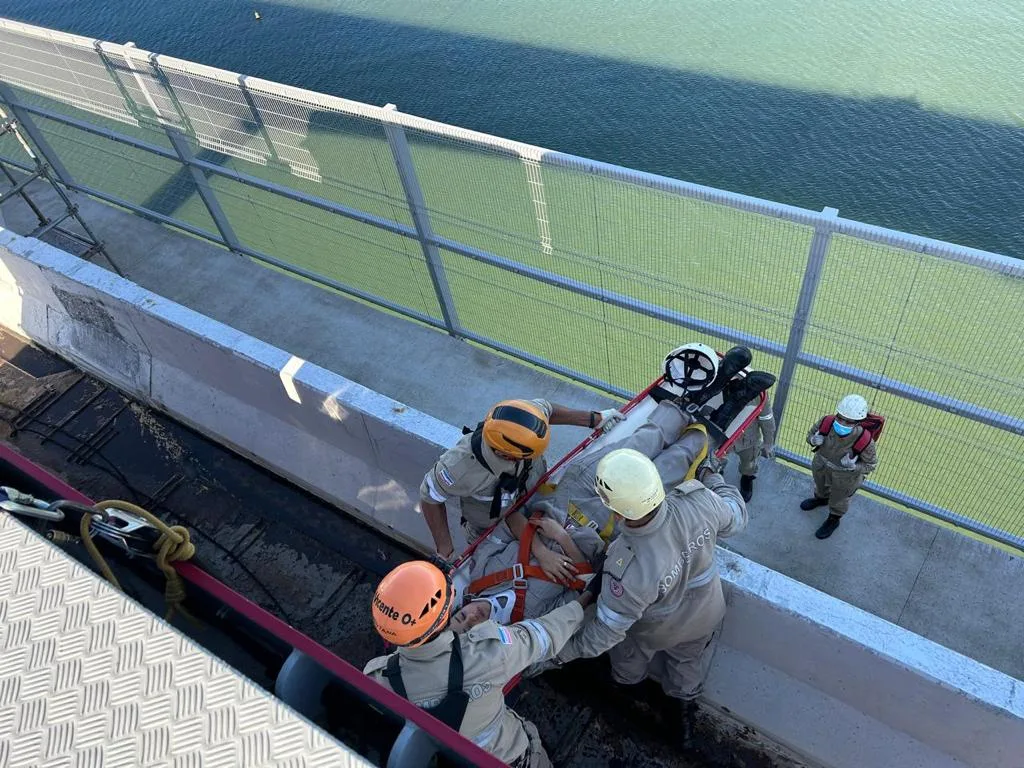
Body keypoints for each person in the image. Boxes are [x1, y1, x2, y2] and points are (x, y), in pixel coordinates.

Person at [551, 448, 747, 740]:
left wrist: (555, 654)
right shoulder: (700, 500)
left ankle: (630, 695)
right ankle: (681, 725)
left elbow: (605, 633)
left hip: (654, 632)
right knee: (687, 665)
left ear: (616, 511)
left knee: (627, 660)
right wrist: (712, 476)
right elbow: (737, 515)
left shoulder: (625, 564)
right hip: (706, 616)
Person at [363, 560, 597, 767]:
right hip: (509, 758)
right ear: (444, 612)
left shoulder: (376, 678)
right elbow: (543, 635)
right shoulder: (487, 655)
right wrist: (585, 598)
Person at [419, 399, 624, 579]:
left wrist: (593, 419)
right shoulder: (458, 468)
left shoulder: (524, 415)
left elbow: (548, 409)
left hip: (535, 499)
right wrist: (444, 549)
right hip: (491, 529)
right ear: (509, 456)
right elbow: (430, 497)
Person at [541, 399, 709, 546]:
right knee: (669, 467)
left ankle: (688, 400)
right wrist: (561, 538)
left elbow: (514, 520)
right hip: (601, 530)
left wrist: (540, 549)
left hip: (568, 497)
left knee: (637, 446)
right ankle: (711, 427)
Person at [452, 504, 605, 629]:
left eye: (462, 616)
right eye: (470, 628)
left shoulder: (479, 570)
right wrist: (562, 538)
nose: (472, 617)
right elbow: (585, 585)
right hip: (596, 531)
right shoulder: (533, 622)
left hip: (561, 503)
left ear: (460, 607)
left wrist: (541, 552)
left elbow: (512, 519)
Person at [801, 394, 879, 539]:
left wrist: (853, 467)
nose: (842, 423)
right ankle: (820, 499)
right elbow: (811, 434)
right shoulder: (826, 422)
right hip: (821, 466)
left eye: (849, 422)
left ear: (858, 422)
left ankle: (834, 519)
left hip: (845, 477)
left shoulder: (865, 440)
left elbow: (871, 465)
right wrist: (812, 440)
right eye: (840, 417)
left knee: (839, 499)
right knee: (820, 486)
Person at [728, 391, 776, 502]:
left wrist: (768, 443)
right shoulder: (718, 383)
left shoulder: (758, 393)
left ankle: (747, 478)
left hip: (748, 438)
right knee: (716, 461)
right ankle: (714, 476)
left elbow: (767, 419)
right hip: (724, 437)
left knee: (749, 463)